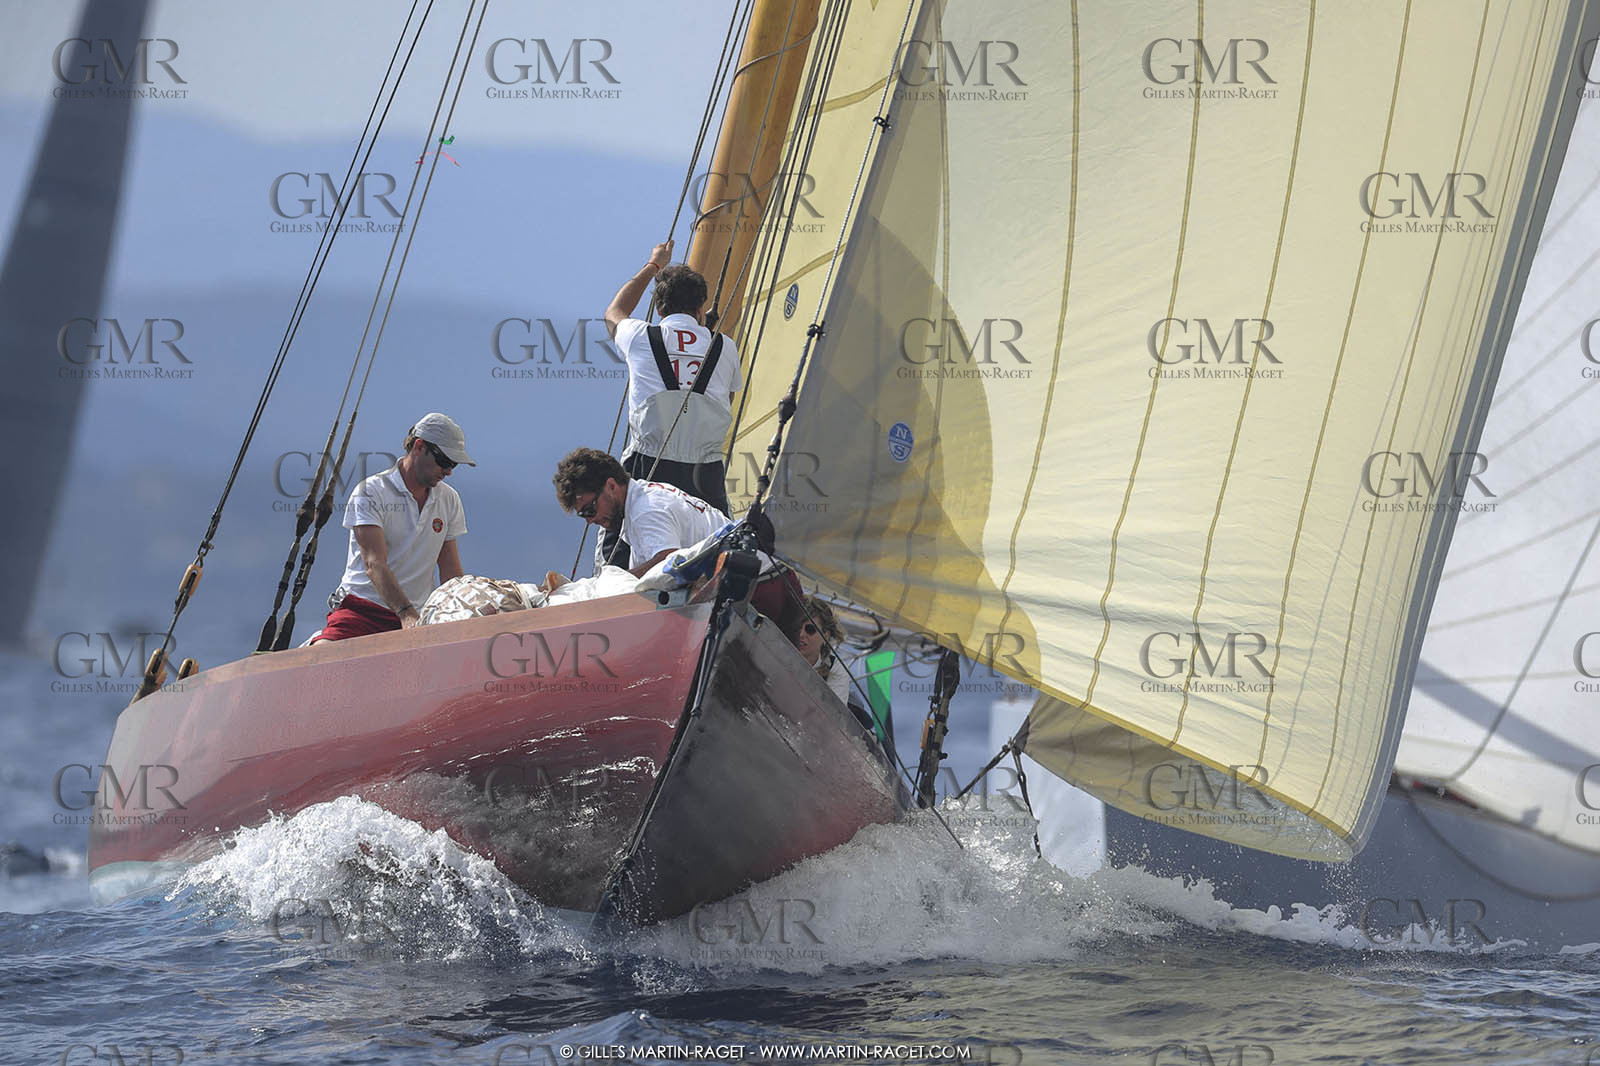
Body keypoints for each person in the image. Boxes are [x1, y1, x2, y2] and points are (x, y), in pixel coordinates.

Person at [599, 239, 743, 569]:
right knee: (716, 554)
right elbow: (726, 400)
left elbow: (613, 314)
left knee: (619, 561)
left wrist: (653, 266)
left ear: (660, 310)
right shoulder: (726, 348)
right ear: (700, 309)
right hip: (704, 473)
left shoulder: (639, 337)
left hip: (647, 466)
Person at [314, 413, 473, 642]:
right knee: (324, 658)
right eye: (445, 462)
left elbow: (450, 575)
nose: (449, 471)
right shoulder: (371, 492)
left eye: (454, 464)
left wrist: (465, 614)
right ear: (419, 447)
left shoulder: (449, 499)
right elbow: (374, 564)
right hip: (362, 612)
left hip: (420, 619)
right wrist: (406, 615)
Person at [554, 447, 730, 579]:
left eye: (589, 510)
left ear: (611, 486)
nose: (590, 521)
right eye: (583, 515)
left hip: (736, 581)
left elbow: (668, 562)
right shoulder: (644, 495)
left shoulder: (645, 511)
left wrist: (615, 585)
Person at [792, 596, 852, 706]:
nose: (801, 634)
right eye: (798, 627)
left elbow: (834, 716)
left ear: (826, 636)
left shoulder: (836, 670)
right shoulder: (778, 647)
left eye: (810, 629)